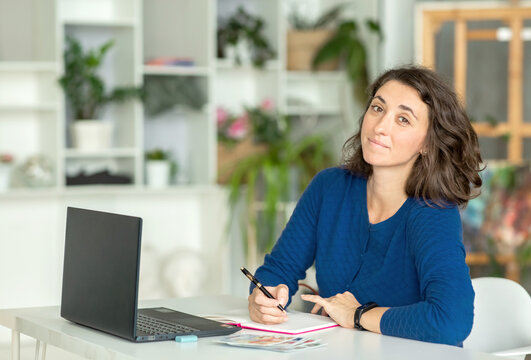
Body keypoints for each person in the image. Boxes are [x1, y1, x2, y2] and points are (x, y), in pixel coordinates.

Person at [247, 65, 483, 346]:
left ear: (428, 144)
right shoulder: (329, 188)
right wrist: (264, 298)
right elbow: (278, 269)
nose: (380, 127)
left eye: (403, 120)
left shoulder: (433, 211)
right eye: (377, 108)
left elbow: (451, 321)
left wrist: (358, 315)